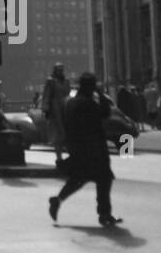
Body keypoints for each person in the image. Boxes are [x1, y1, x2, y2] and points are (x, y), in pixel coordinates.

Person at [48, 72, 121, 227]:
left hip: (78, 148)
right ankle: (104, 214)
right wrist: (101, 94)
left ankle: (58, 200)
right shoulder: (87, 103)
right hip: (93, 149)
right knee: (103, 179)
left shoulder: (72, 103)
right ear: (91, 86)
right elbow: (105, 113)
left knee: (78, 179)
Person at [41, 63, 70, 163]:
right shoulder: (51, 81)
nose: (61, 71)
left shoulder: (66, 81)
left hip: (65, 108)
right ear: (55, 71)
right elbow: (46, 95)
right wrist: (46, 108)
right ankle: (59, 157)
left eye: (62, 69)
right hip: (55, 109)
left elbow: (68, 93)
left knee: (67, 133)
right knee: (57, 134)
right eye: (59, 70)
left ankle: (70, 156)